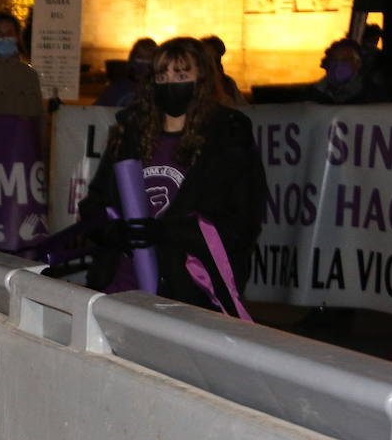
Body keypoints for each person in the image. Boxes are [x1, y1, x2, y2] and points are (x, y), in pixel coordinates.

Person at [79, 36, 266, 316]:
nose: (170, 83)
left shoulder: (227, 136)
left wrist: (168, 232)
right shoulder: (131, 131)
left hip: (192, 287)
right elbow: (96, 203)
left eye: (181, 74)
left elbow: (242, 222)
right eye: (162, 75)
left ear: (201, 77)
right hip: (126, 283)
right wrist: (112, 231)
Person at [305, 38, 389, 105]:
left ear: (358, 64)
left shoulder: (373, 95)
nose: (338, 65)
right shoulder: (312, 94)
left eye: (345, 61)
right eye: (334, 61)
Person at [94, 37, 156, 107]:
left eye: (148, 58)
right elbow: (95, 111)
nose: (143, 62)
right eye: (139, 57)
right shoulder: (118, 87)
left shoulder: (157, 91)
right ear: (132, 58)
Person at [201, 35, 246, 105]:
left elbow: (242, 106)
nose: (213, 64)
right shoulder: (198, 84)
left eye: (217, 59)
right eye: (209, 58)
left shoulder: (228, 82)